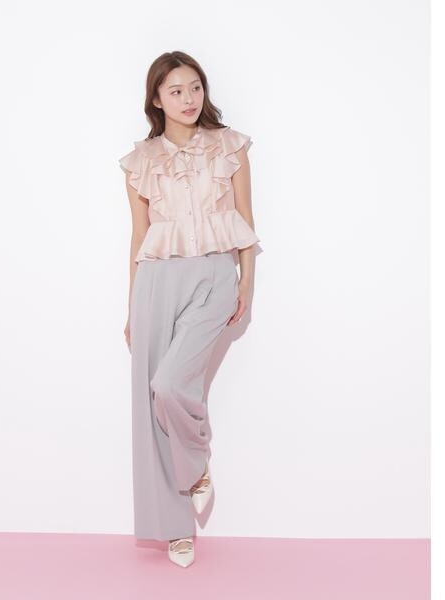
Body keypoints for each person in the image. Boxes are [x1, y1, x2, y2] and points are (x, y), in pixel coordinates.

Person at [119, 50, 261, 568]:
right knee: (151, 403)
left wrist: (247, 284)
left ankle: (196, 465)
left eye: (195, 87)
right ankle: (176, 529)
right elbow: (139, 236)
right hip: (157, 280)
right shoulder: (140, 161)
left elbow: (246, 220)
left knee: (171, 385)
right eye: (175, 90)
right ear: (156, 99)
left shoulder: (230, 146)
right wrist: (131, 306)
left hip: (215, 275)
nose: (188, 98)